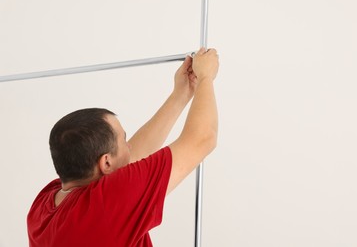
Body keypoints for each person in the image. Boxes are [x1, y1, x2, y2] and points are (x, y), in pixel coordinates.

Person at [26, 47, 219, 247]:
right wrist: (206, 77)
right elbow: (203, 138)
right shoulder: (106, 204)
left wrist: (182, 94)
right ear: (106, 162)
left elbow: (129, 160)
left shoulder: (42, 205)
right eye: (124, 140)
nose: (129, 147)